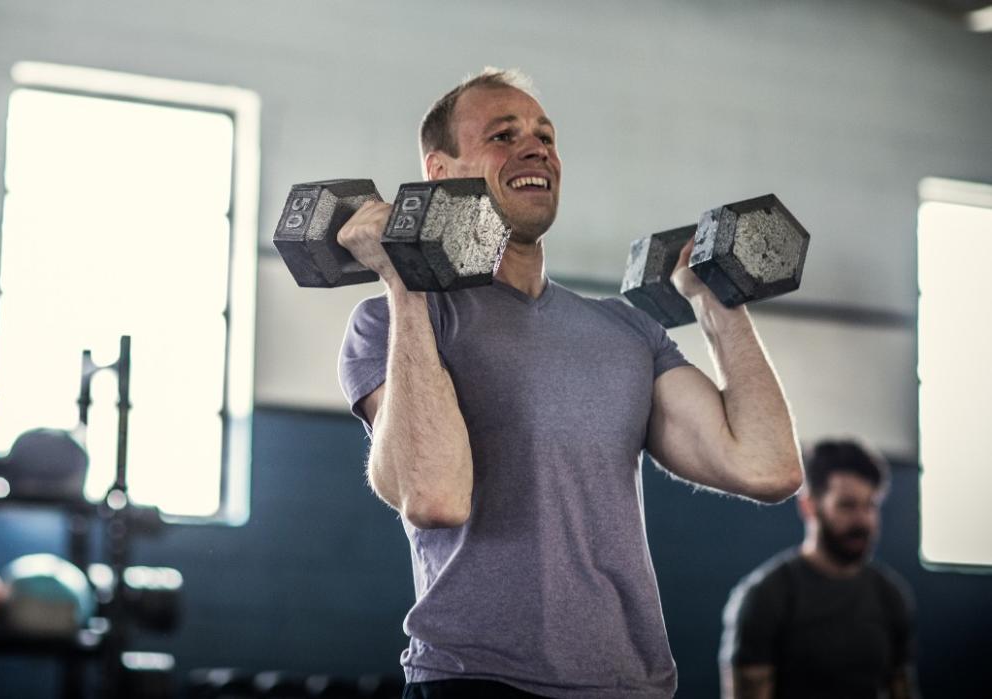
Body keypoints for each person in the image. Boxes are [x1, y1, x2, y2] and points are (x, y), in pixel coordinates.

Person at [337, 68, 803, 699]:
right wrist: (405, 278)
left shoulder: (627, 332)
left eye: (545, 136)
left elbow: (767, 467)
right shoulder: (395, 324)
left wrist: (717, 301)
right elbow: (435, 497)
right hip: (476, 681)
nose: (536, 149)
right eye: (503, 135)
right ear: (439, 174)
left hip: (630, 685)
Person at [719, 438, 919, 699]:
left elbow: (902, 688)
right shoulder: (766, 596)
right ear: (809, 506)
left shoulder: (890, 595)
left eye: (870, 506)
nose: (863, 520)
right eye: (847, 505)